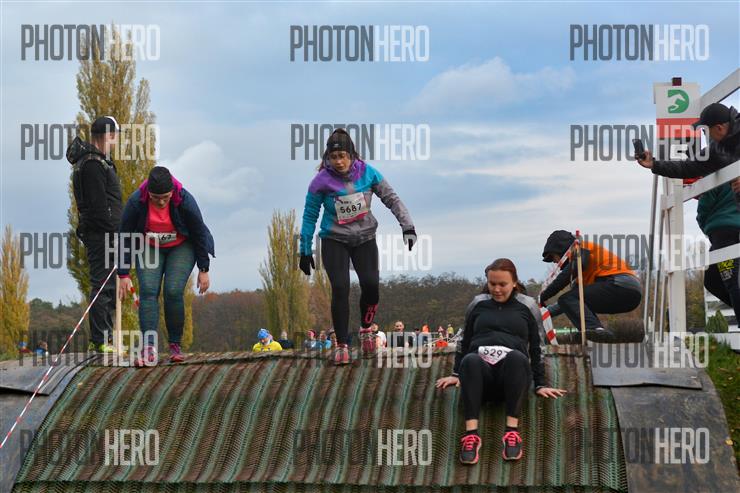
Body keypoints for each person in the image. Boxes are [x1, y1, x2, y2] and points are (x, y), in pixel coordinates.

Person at [298, 129, 416, 364]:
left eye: (342, 156)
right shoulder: (320, 181)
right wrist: (305, 249)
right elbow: (310, 215)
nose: (338, 162)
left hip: (364, 239)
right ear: (327, 158)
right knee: (340, 287)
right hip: (334, 239)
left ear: (352, 155)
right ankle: (342, 344)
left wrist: (408, 226)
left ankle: (366, 328)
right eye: (333, 157)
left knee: (371, 286)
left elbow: (392, 198)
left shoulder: (368, 173)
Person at [436, 258, 566, 464]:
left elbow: (537, 346)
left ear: (514, 282)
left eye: (502, 284)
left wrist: (540, 383)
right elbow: (464, 341)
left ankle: (511, 432)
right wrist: (456, 373)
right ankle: (471, 436)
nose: (497, 289)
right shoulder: (478, 304)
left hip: (511, 377)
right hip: (482, 377)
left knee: (516, 357)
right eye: (492, 283)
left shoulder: (528, 305)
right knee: (470, 359)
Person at [637, 102, 740, 324]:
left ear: (720, 127)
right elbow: (688, 167)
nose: (707, 137)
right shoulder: (717, 150)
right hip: (730, 223)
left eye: (707, 131)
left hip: (730, 224)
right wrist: (654, 164)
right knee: (715, 280)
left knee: (732, 279)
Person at [118, 166, 215, 366]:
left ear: (172, 192)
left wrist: (203, 269)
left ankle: (175, 345)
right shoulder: (136, 202)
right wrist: (123, 274)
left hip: (182, 245)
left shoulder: (185, 200)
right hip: (149, 246)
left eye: (165, 197)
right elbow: (125, 236)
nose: (161, 202)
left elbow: (199, 234)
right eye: (156, 198)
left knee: (173, 290)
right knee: (148, 291)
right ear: (148, 193)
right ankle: (148, 347)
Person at [66, 116, 122, 353]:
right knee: (102, 284)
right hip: (102, 234)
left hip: (105, 232)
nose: (116, 141)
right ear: (109, 135)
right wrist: (115, 232)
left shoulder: (97, 161)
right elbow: (99, 207)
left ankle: (105, 338)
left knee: (110, 285)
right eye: (115, 136)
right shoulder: (92, 164)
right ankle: (100, 339)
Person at [538, 230, 642, 342]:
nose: (554, 262)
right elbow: (566, 304)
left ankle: (594, 328)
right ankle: (596, 333)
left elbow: (565, 276)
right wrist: (542, 314)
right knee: (571, 301)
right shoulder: (581, 274)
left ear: (561, 248)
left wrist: (544, 295)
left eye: (553, 257)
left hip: (620, 283)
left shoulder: (581, 248)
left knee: (568, 298)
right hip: (630, 296)